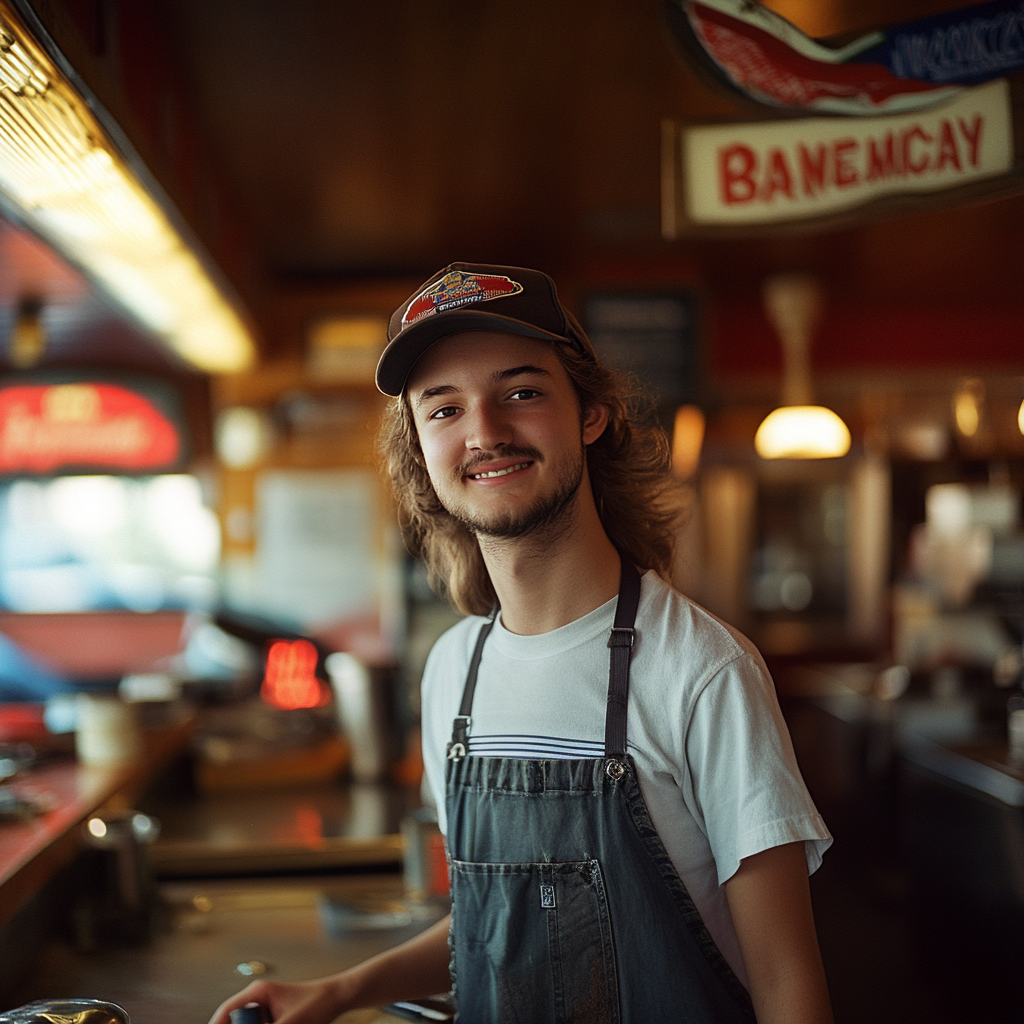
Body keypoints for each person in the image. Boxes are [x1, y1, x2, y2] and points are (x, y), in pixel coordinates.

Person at [210, 263, 834, 1024]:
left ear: (592, 414)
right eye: (444, 410)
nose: (485, 432)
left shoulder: (704, 670)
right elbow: (496, 925)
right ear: (419, 448)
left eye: (523, 392)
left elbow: (788, 988)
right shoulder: (453, 671)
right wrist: (338, 992)